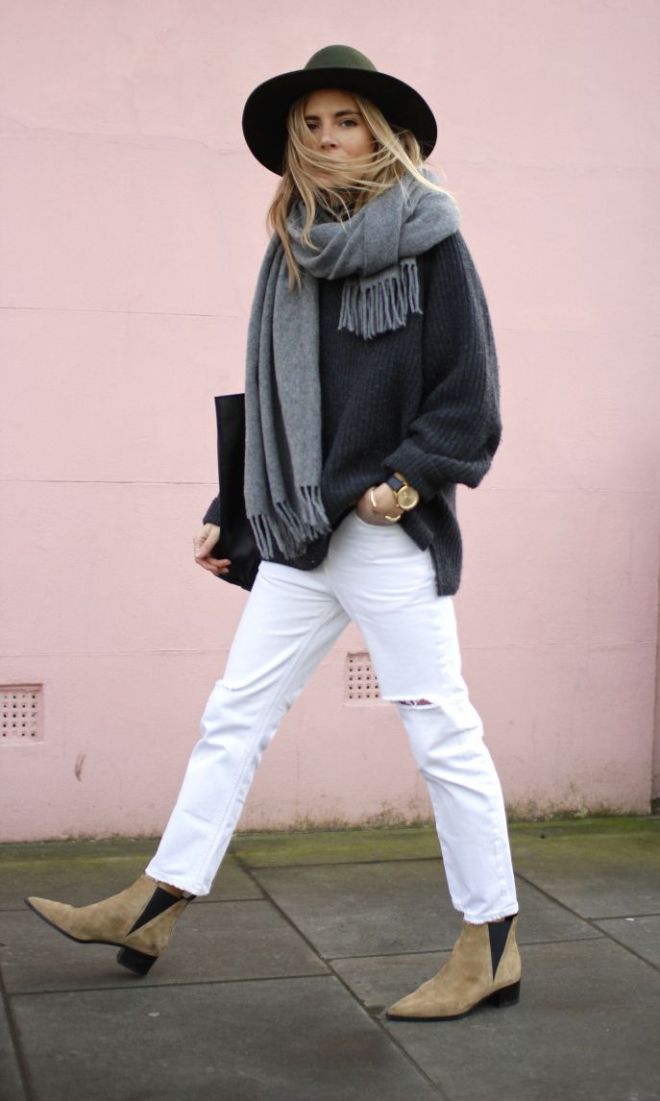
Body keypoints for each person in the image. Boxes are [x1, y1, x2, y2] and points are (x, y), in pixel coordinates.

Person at [25, 45, 521, 1021]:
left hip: (384, 530)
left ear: (382, 133)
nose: (329, 138)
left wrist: (404, 483)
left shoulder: (430, 238)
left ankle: (491, 942)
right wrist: (234, 506)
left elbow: (470, 391)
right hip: (301, 531)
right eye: (313, 125)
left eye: (347, 120)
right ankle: (155, 905)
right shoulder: (293, 247)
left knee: (440, 728)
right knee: (236, 715)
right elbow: (277, 398)